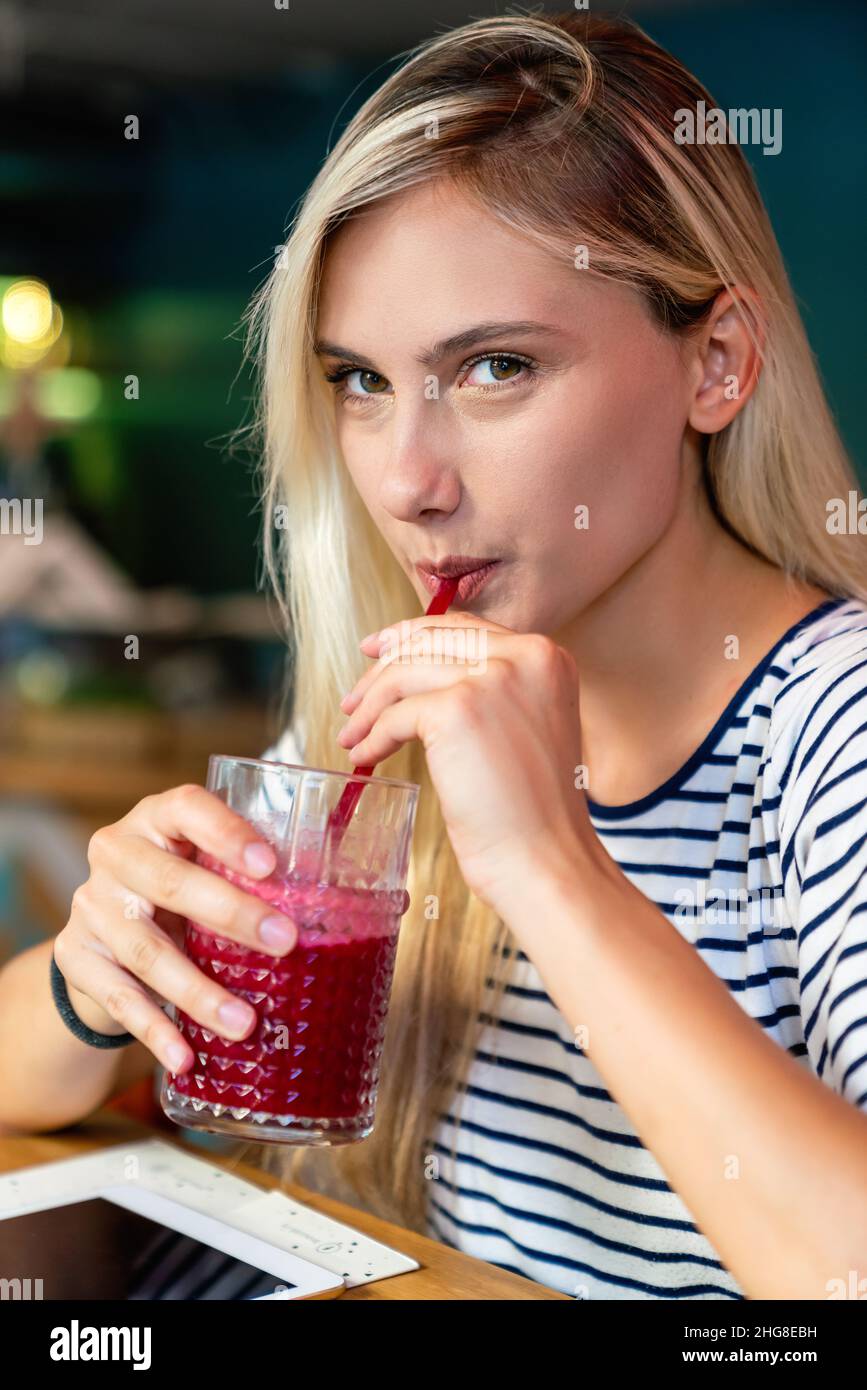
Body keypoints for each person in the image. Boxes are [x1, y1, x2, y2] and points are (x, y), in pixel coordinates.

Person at [1, 12, 865, 1301]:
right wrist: (94, 976)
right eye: (361, 382)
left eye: (497, 367)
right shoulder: (407, 700)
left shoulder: (831, 728)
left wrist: (547, 868)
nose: (406, 482)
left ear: (718, 365)